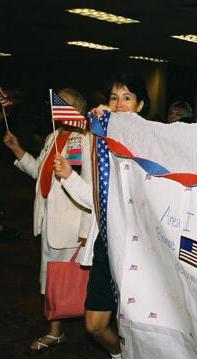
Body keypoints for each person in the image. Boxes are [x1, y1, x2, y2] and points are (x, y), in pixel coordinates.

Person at [54, 74, 150, 359]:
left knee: (136, 323)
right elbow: (95, 199)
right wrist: (69, 176)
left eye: (127, 98)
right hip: (107, 242)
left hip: (140, 248)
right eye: (113, 97)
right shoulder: (95, 138)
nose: (119, 104)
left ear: (141, 105)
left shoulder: (151, 140)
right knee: (95, 326)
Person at [3, 88, 93, 350]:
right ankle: (56, 331)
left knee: (69, 281)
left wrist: (86, 229)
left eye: (64, 102)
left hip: (71, 223)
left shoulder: (83, 140)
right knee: (50, 278)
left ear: (77, 108)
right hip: (48, 218)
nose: (56, 106)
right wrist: (18, 150)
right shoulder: (53, 136)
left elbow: (88, 187)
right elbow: (40, 174)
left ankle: (93, 328)